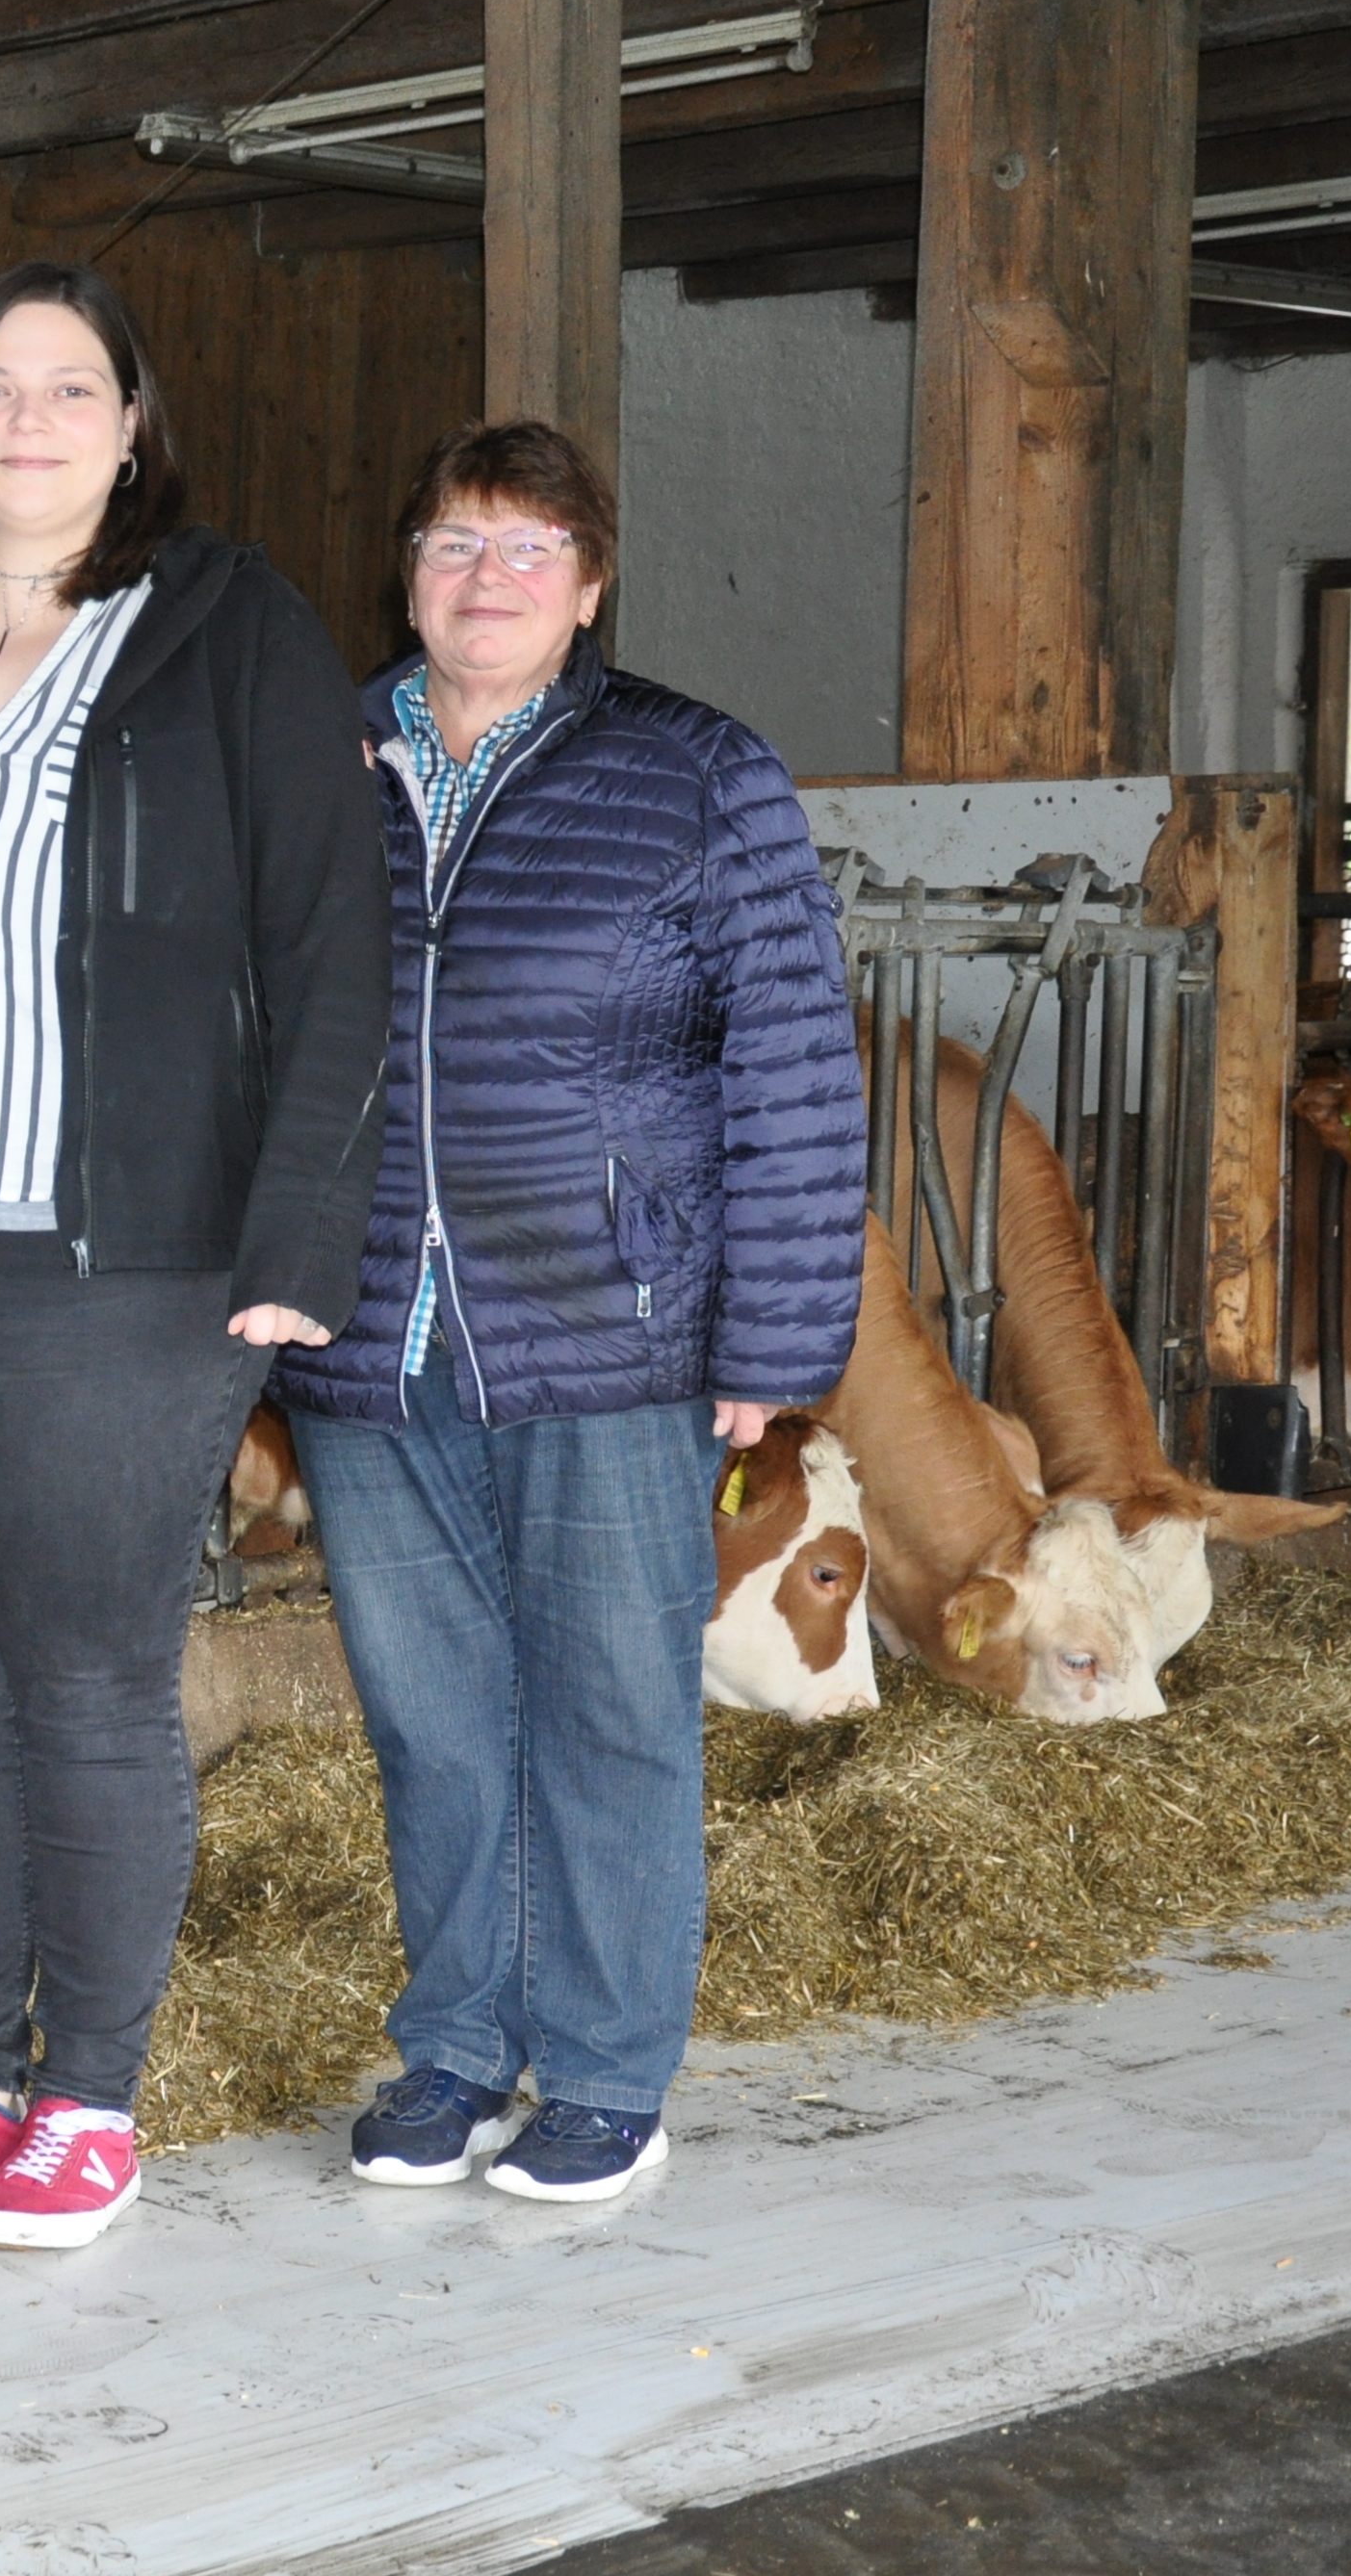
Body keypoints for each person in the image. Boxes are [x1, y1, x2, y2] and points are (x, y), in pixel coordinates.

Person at [0, 261, 392, 2253]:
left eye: (68, 388)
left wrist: (296, 1229)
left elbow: (330, 940)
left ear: (131, 424)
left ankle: (85, 2097)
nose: (25, 421)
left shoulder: (223, 628)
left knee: (88, 1668)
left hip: (120, 1260)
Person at [271, 420, 861, 2203]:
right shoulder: (324, 758)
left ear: (590, 587)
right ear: (409, 570)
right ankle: (455, 2046)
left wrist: (776, 1339)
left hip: (609, 1318)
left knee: (609, 1701)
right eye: (455, 544)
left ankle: (606, 2073)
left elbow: (798, 1063)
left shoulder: (695, 773)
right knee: (432, 1713)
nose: (485, 581)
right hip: (373, 1326)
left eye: (530, 552)